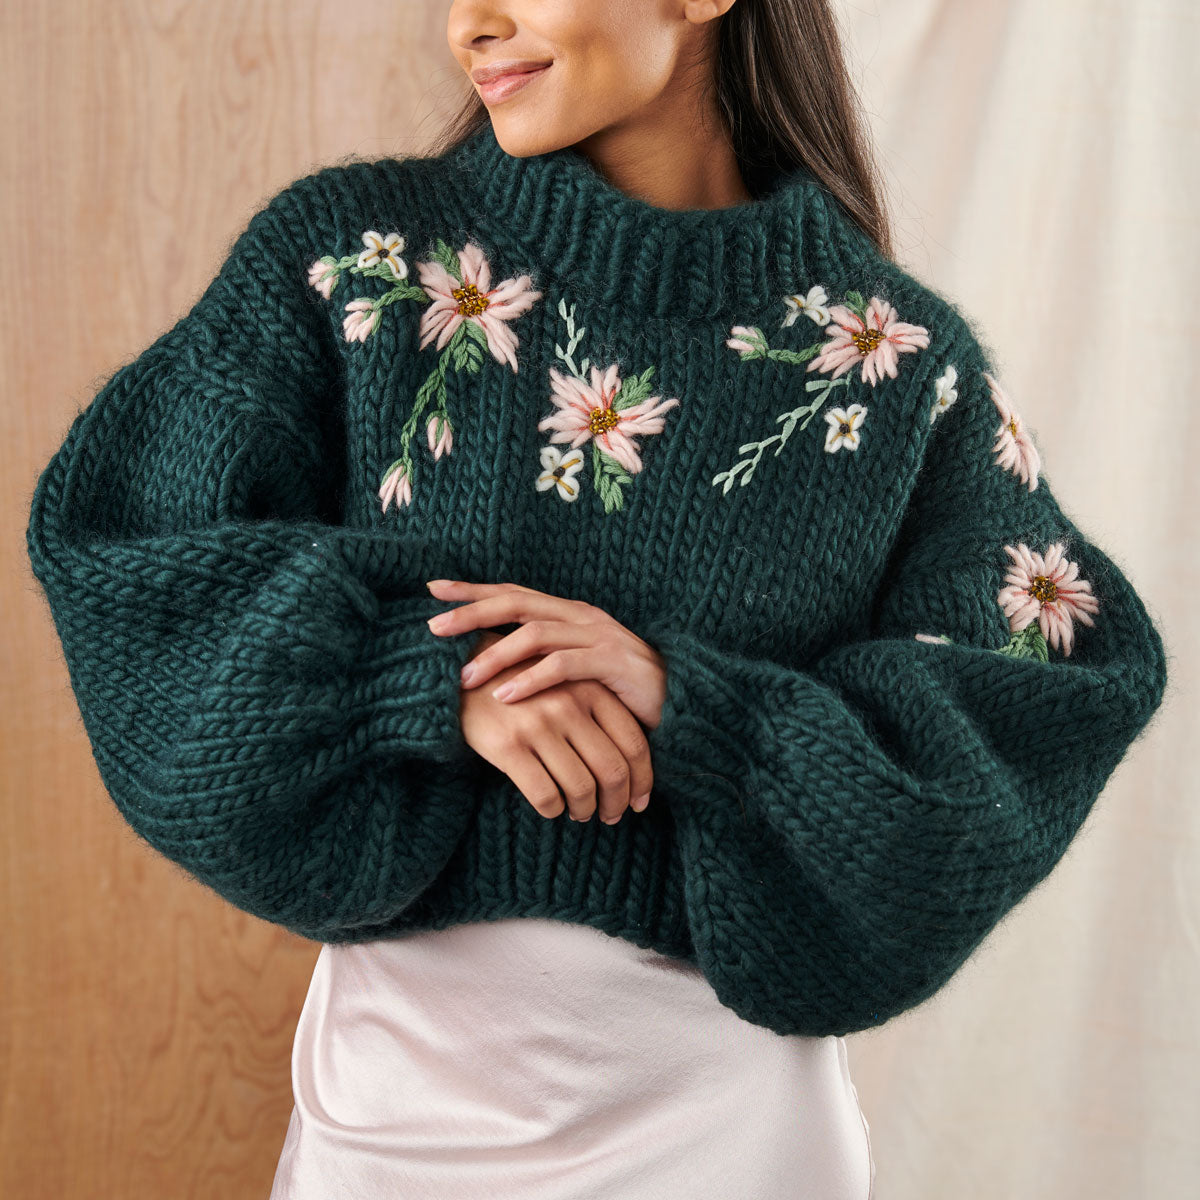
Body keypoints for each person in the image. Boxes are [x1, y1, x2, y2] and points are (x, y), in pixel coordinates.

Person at [24, 2, 1168, 1198]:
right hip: (395, 1128)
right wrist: (420, 675)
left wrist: (702, 715)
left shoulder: (899, 368)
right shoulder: (356, 266)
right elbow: (124, 562)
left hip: (728, 1145)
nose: (470, 25)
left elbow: (1046, 702)